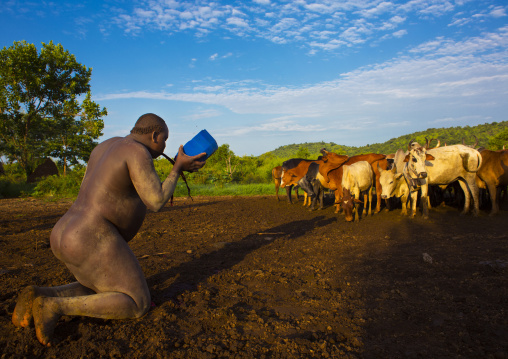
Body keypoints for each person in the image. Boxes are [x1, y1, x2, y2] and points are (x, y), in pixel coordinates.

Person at [11, 113, 206, 346]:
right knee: (137, 303)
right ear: (154, 135)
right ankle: (55, 306)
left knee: (98, 286)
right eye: (164, 139)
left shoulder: (105, 146)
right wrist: (176, 170)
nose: (164, 145)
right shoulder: (137, 151)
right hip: (91, 236)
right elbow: (155, 201)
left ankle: (39, 294)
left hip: (64, 230)